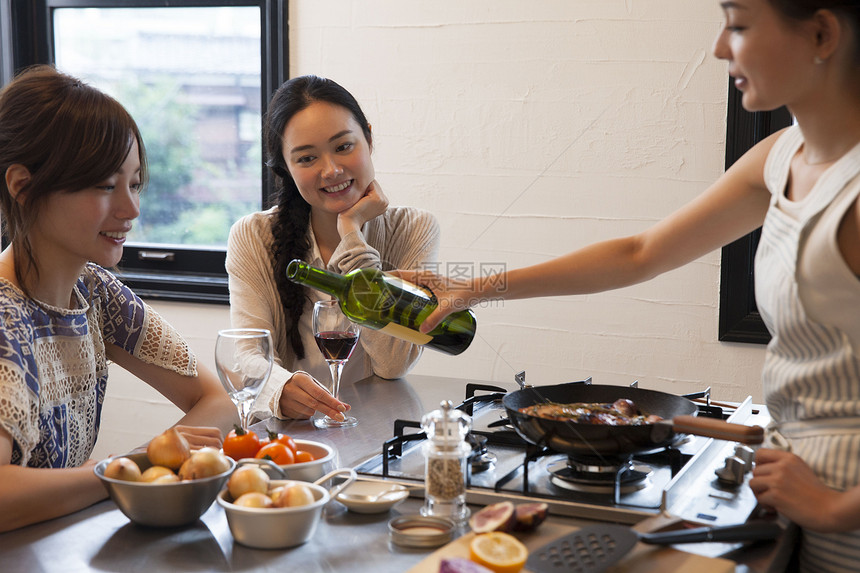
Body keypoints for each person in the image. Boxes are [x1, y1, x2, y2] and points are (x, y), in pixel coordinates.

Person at [397, 1, 860, 571]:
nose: (719, 48)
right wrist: (472, 288)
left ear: (820, 32)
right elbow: (639, 255)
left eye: (738, 25)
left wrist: (837, 509)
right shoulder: (779, 156)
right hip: (791, 493)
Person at [0, 65, 239, 533]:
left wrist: (149, 459)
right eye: (106, 186)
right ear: (23, 186)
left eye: (133, 184)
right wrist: (122, 469)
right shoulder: (5, 318)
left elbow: (219, 401)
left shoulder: (96, 293)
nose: (130, 211)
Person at [226, 75, 440, 423]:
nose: (332, 170)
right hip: (290, 437)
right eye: (307, 159)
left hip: (375, 430)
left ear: (368, 139)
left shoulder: (414, 228)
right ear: (286, 168)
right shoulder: (253, 236)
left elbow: (392, 364)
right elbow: (248, 354)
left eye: (343, 147)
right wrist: (281, 389)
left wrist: (351, 234)